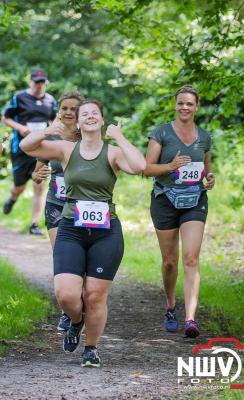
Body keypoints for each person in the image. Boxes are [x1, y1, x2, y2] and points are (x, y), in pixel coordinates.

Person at [20, 99, 146, 367]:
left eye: (95, 114)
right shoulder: (66, 149)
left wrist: (120, 137)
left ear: (102, 121)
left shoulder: (112, 152)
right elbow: (25, 146)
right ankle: (76, 322)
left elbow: (139, 167)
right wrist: (47, 130)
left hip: (106, 232)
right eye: (84, 114)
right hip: (71, 228)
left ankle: (91, 348)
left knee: (95, 295)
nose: (89, 116)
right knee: (66, 294)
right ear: (77, 123)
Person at [144, 85, 215, 338]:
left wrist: (209, 177)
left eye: (190, 104)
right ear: (175, 105)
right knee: (170, 262)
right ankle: (171, 306)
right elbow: (146, 169)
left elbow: (205, 166)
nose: (185, 107)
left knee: (191, 258)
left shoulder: (204, 137)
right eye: (181, 103)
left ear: (197, 107)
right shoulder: (161, 133)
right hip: (165, 201)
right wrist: (170, 165)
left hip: (195, 200)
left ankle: (191, 319)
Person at [32, 91, 84, 332]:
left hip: (83, 207)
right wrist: (38, 175)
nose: (69, 112)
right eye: (64, 108)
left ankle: (79, 299)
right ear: (59, 110)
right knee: (61, 254)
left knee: (80, 257)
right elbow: (37, 171)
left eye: (74, 108)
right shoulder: (51, 137)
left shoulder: (87, 136)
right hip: (56, 203)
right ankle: (68, 310)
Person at [1, 68, 57, 235]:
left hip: (42, 147)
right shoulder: (19, 98)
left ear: (45, 83)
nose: (40, 85)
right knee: (20, 187)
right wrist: (20, 128)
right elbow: (6, 117)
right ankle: (13, 198)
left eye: (42, 82)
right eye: (37, 82)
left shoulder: (50, 100)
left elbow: (54, 120)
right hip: (20, 148)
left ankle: (34, 224)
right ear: (31, 82)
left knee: (39, 185)